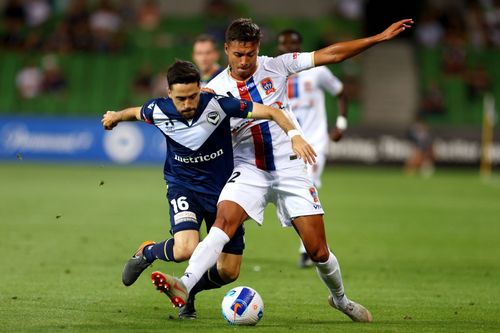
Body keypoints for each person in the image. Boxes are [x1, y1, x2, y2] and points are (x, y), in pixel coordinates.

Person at [151, 17, 413, 323]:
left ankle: (341, 300)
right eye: (238, 54)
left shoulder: (277, 66)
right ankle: (184, 282)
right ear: (227, 50)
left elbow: (330, 55)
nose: (245, 61)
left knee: (317, 251)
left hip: (290, 168)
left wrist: (378, 37)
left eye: (250, 54)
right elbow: (179, 116)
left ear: (258, 48)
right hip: (249, 170)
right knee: (224, 223)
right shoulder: (214, 91)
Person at [101, 60, 315, 319]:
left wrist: (295, 135)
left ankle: (187, 291)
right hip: (184, 188)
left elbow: (272, 111)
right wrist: (114, 117)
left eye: (193, 96)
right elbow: (135, 112)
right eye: (181, 99)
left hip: (225, 193)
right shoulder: (157, 110)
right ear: (169, 93)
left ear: (200, 89)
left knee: (228, 272)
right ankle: (146, 252)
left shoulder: (219, 105)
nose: (188, 104)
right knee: (185, 249)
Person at [277, 28, 348, 268]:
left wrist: (341, 123)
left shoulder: (318, 71)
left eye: (293, 44)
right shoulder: (275, 71)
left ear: (300, 45)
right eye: (284, 45)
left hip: (315, 142)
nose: (289, 48)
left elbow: (340, 91)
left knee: (309, 184)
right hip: (287, 142)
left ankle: (307, 251)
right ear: (279, 48)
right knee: (285, 194)